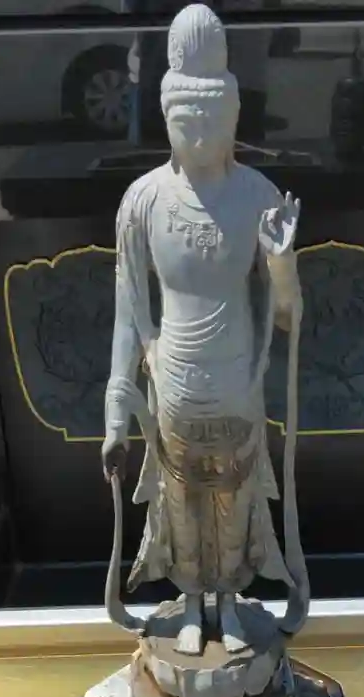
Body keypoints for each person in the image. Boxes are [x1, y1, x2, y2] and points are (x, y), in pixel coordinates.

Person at [101, 3, 303, 658]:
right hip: (173, 376)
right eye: (185, 121)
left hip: (236, 372)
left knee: (235, 495)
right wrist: (116, 407)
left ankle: (231, 601)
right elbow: (128, 310)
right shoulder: (144, 201)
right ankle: (191, 601)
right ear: (165, 118)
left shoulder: (258, 197)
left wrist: (281, 261)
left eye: (213, 121)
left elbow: (287, 315)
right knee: (181, 497)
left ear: (235, 118)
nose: (199, 134)